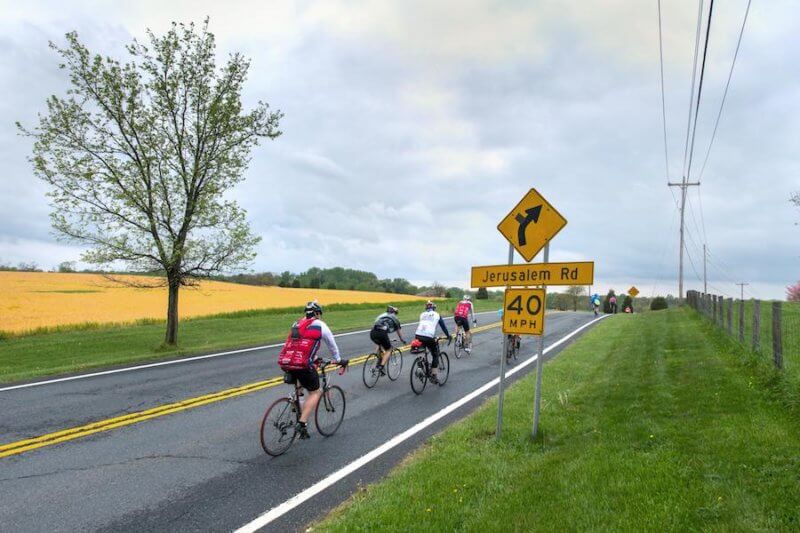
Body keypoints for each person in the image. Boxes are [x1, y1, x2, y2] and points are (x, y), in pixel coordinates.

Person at [278, 301, 348, 440]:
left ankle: (296, 406)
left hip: (286, 362)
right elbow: (332, 345)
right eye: (319, 314)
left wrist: (314, 358)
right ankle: (302, 423)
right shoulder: (320, 325)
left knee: (300, 387)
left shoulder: (296, 324)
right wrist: (338, 360)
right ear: (317, 313)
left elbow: (297, 346)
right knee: (315, 392)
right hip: (303, 364)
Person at [414, 300, 452, 384]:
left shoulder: (422, 314)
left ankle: (421, 364)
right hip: (428, 336)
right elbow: (443, 327)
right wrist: (448, 336)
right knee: (435, 354)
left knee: (423, 348)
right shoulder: (437, 314)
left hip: (418, 334)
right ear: (434, 308)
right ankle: (434, 375)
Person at [370, 305, 407, 375]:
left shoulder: (381, 316)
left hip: (373, 332)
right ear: (395, 313)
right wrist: (402, 340)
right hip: (382, 333)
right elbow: (398, 331)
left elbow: (376, 325)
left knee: (379, 344)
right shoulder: (395, 318)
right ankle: (381, 366)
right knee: (389, 349)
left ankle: (375, 359)